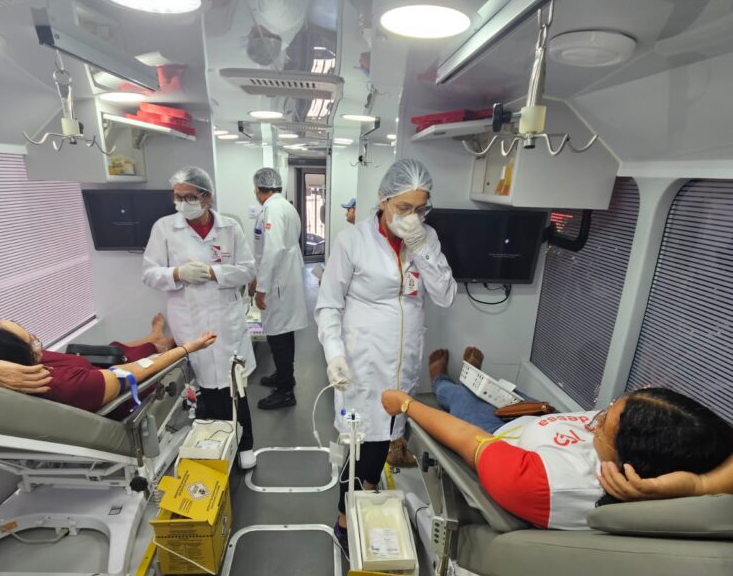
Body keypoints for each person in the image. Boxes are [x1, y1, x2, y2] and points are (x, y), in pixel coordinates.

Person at [316, 158, 456, 549]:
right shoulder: (352, 242)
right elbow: (328, 305)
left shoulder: (426, 238)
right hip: (361, 360)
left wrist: (421, 247)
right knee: (362, 442)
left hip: (402, 359)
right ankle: (344, 518)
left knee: (385, 438)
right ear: (383, 200)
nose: (412, 217)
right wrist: (334, 354)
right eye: (403, 208)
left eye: (420, 209)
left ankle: (366, 495)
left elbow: (445, 295)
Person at [380, 385, 733, 530]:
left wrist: (405, 404)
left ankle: (440, 378)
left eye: (603, 425)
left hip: (496, 437)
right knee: (475, 395)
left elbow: (465, 437)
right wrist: (700, 484)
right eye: (609, 408)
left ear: (631, 461)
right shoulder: (676, 444)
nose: (595, 421)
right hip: (529, 425)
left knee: (459, 399)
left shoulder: (543, 483)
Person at [142, 166, 258, 469]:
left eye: (189, 197)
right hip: (190, 319)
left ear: (207, 198)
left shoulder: (230, 227)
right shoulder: (164, 228)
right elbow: (149, 273)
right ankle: (214, 447)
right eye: (177, 197)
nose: (181, 203)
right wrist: (177, 273)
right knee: (204, 390)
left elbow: (248, 269)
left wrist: (213, 273)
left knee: (235, 385)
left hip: (225, 319)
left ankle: (245, 444)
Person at [0, 315, 215, 413]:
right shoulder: (65, 385)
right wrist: (187, 348)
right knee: (139, 357)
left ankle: (154, 338)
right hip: (119, 387)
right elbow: (138, 371)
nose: (37, 343)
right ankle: (162, 342)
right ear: (12, 357)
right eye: (30, 343)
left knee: (115, 348)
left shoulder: (4, 363)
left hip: (92, 370)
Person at [248, 167, 308, 410]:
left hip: (277, 282)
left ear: (257, 188)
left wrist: (261, 288)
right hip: (283, 277)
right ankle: (284, 376)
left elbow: (272, 250)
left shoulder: (272, 209)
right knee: (283, 332)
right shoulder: (285, 206)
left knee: (278, 335)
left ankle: (285, 391)